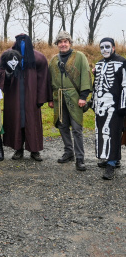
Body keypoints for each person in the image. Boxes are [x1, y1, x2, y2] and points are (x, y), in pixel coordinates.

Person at [0, 34, 50, 162]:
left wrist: (41, 97)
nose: (22, 43)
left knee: (32, 121)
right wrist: (9, 72)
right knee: (17, 120)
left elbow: (44, 78)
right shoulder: (7, 55)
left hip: (31, 96)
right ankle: (18, 148)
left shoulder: (38, 57)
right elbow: (0, 73)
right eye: (20, 41)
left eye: (25, 41)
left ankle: (34, 150)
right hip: (14, 95)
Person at [48, 31, 92, 171]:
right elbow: (49, 80)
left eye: (65, 41)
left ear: (70, 43)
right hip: (59, 98)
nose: (63, 44)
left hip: (75, 97)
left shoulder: (79, 57)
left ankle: (80, 158)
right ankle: (69, 152)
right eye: (60, 42)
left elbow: (86, 74)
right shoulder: (54, 60)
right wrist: (50, 98)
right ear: (57, 44)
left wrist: (83, 96)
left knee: (77, 129)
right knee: (62, 126)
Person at [92, 38, 126, 179]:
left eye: (107, 47)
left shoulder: (122, 62)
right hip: (101, 105)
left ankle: (111, 165)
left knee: (113, 133)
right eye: (102, 47)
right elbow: (96, 85)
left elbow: (125, 84)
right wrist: (92, 102)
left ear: (113, 47)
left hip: (115, 106)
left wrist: (123, 105)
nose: (104, 50)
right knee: (101, 133)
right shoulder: (99, 63)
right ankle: (109, 159)